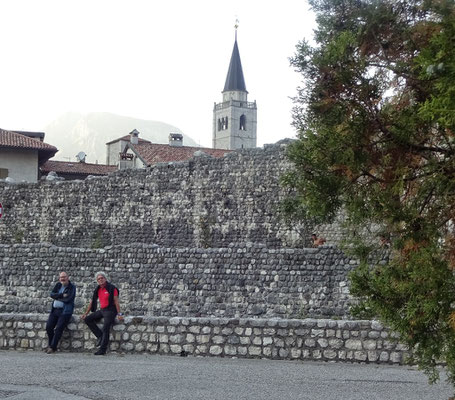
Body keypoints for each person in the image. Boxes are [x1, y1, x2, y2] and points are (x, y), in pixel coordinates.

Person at [81, 271, 123, 355]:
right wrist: (86, 313)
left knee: (106, 327)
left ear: (105, 278)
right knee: (88, 319)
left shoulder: (112, 288)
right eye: (98, 279)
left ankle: (102, 349)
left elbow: (116, 302)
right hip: (103, 310)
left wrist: (119, 314)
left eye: (102, 278)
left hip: (111, 310)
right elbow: (92, 302)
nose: (100, 280)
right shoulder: (98, 289)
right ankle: (100, 336)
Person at [46, 271, 76, 354]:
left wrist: (57, 297)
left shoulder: (71, 287)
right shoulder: (58, 285)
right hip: (54, 310)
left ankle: (52, 347)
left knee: (59, 328)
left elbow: (68, 299)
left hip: (65, 311)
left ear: (67, 277)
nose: (62, 279)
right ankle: (51, 345)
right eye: (61, 277)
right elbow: (51, 294)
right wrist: (61, 295)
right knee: (49, 327)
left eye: (64, 277)